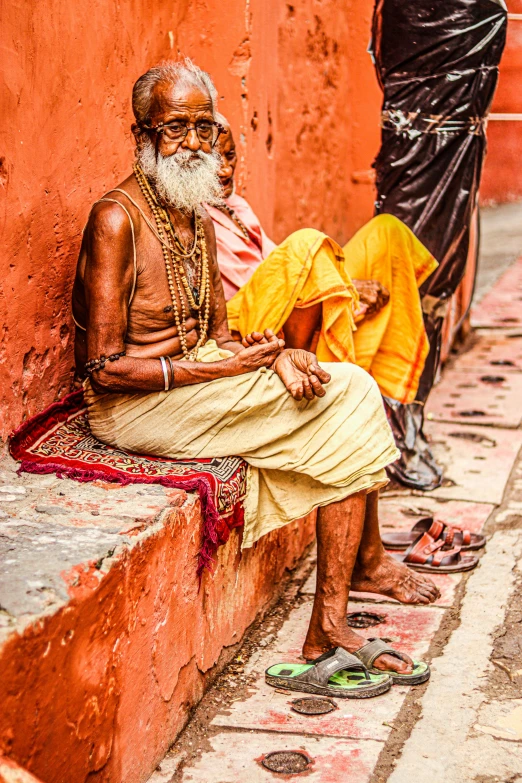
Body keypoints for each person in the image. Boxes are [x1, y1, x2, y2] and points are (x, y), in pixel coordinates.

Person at [72, 59, 440, 694]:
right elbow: (102, 370)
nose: (192, 143)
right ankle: (331, 624)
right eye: (174, 129)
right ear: (141, 135)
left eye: (202, 126)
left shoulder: (193, 211)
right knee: (349, 396)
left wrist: (275, 355)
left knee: (341, 384)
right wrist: (237, 365)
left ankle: (331, 624)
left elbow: (218, 337)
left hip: (194, 383)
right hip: (133, 405)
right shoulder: (117, 218)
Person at [207, 117, 438, 406]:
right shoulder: (190, 216)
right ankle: (331, 387)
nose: (226, 170)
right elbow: (277, 277)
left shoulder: (235, 206)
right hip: (250, 330)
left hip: (280, 298)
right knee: (307, 243)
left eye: (230, 156)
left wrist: (340, 286)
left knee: (386, 233)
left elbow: (280, 264)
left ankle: (391, 393)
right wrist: (346, 289)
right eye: (213, 160)